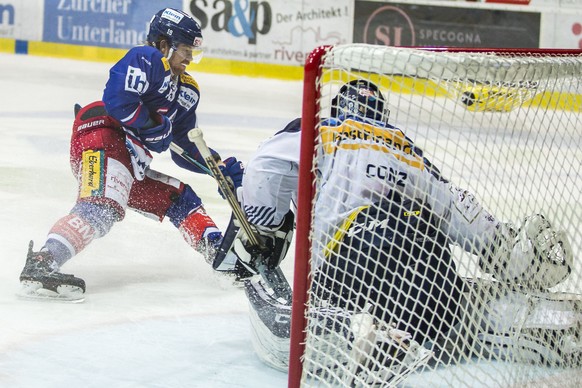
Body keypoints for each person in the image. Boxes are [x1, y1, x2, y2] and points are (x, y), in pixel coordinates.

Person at [216, 79, 577, 382]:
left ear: (340, 109)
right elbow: (463, 213)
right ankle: (535, 321)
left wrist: (262, 226)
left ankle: (363, 332)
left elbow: (266, 163)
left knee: (312, 306)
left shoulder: (323, 129)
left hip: (356, 261)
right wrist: (513, 255)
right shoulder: (409, 150)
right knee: (458, 307)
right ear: (382, 116)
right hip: (433, 269)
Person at [19, 8, 244, 302]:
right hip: (102, 136)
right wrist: (152, 125)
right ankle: (43, 261)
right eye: (184, 50)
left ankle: (217, 253)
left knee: (179, 197)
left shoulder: (187, 90)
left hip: (128, 159)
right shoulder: (147, 58)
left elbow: (185, 146)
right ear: (164, 44)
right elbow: (117, 101)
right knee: (102, 205)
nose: (189, 59)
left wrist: (217, 167)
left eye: (192, 52)